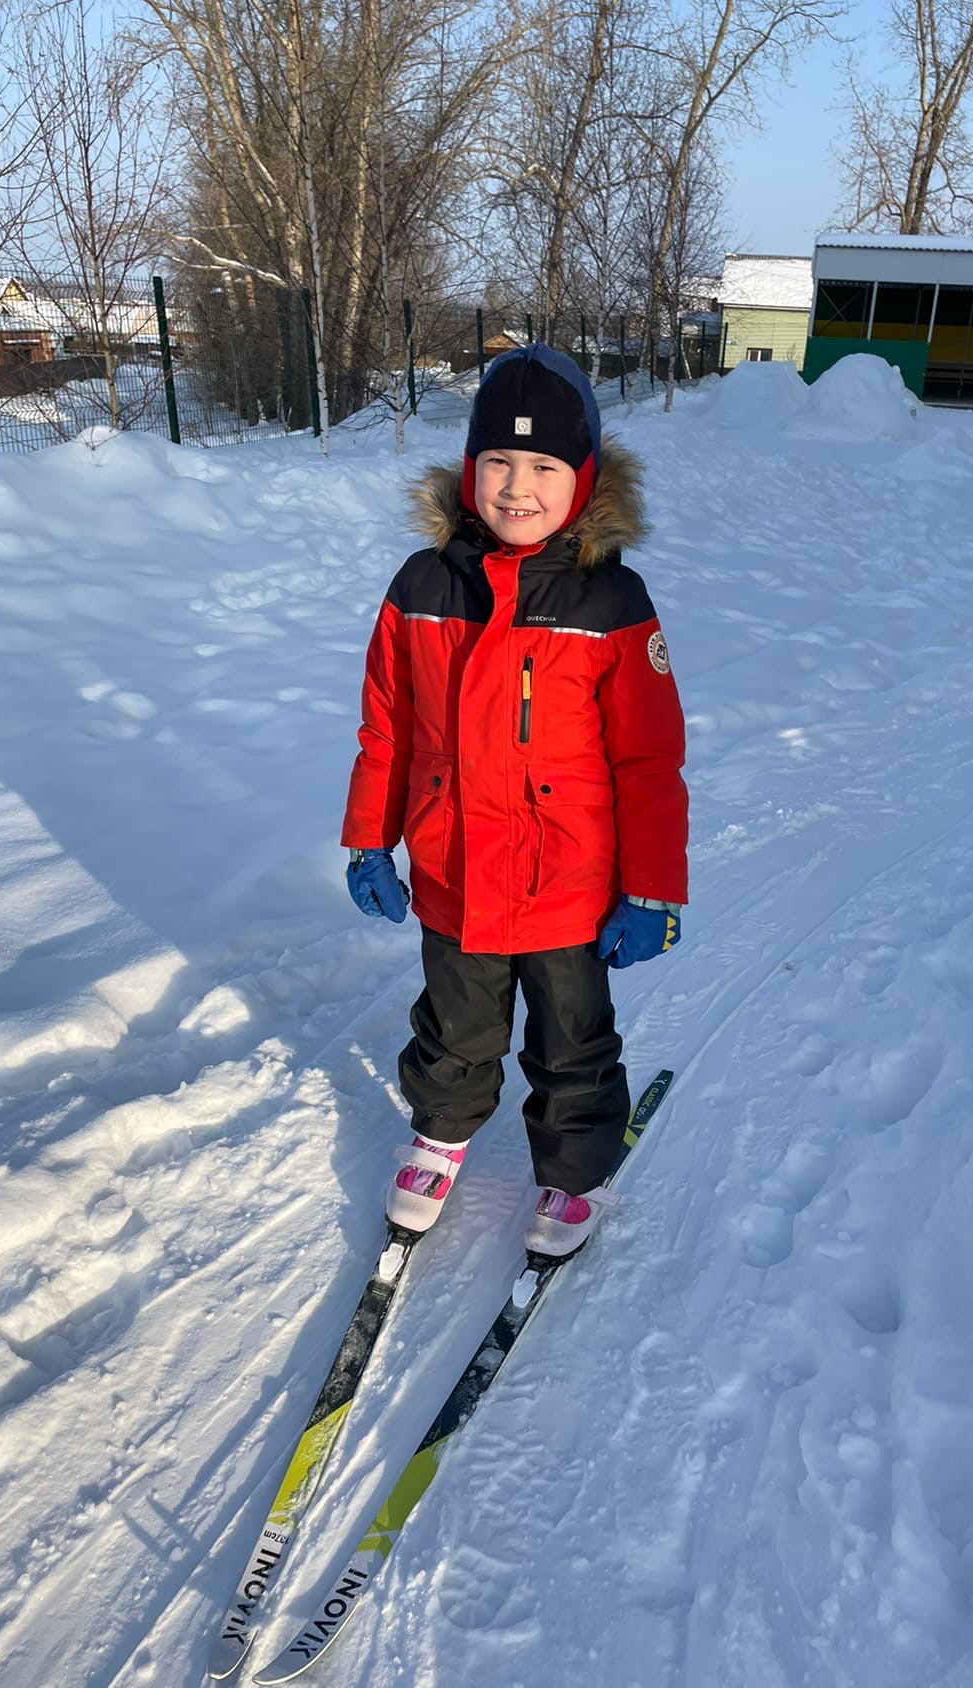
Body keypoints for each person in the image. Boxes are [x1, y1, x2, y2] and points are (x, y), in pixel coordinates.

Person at [340, 343, 687, 1257]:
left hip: (569, 882)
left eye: (543, 467)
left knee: (571, 1038)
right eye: (498, 461)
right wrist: (369, 841)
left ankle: (573, 1174)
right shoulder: (423, 586)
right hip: (454, 867)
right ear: (469, 470)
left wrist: (652, 890)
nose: (517, 487)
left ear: (584, 479)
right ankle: (442, 1132)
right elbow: (388, 730)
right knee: (455, 1022)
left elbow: (649, 760)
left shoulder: (611, 600)